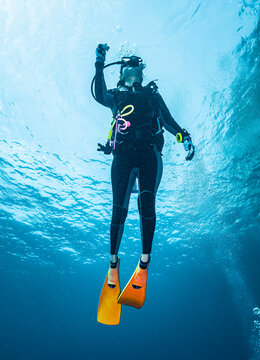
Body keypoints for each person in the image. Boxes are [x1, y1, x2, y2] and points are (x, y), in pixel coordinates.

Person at [94, 44, 194, 320]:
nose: (133, 68)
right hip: (124, 155)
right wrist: (98, 63)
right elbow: (99, 94)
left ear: (141, 70)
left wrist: (184, 137)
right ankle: (113, 265)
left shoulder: (152, 95)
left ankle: (144, 263)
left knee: (146, 203)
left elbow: (169, 121)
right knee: (119, 210)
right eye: (128, 66)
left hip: (150, 153)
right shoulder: (115, 95)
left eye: (137, 65)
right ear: (122, 71)